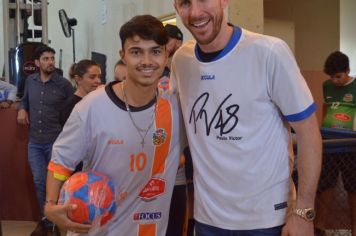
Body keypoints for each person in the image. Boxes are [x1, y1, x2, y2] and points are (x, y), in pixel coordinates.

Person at [171, 0, 322, 235]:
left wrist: (303, 212)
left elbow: (308, 132)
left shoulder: (269, 51)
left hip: (269, 220)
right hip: (208, 220)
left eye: (203, 0)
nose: (195, 12)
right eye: (185, 3)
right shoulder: (181, 61)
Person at [44, 15, 184, 236]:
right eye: (136, 52)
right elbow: (61, 161)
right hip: (96, 230)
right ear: (123, 56)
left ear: (166, 55)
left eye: (155, 51)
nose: (147, 61)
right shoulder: (91, 107)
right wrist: (51, 205)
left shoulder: (176, 106)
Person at [17, 45, 74, 236]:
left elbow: (73, 110)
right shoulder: (30, 81)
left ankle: (57, 222)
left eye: (52, 58)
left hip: (56, 143)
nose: (50, 62)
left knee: (57, 184)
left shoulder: (64, 85)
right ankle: (46, 221)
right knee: (39, 180)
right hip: (35, 142)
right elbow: (24, 100)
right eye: (46, 59)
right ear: (37, 63)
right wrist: (22, 109)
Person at [318, 51, 356, 236]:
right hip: (329, 144)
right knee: (325, 185)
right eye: (331, 76)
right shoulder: (327, 85)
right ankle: (320, 227)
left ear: (348, 70)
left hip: (351, 144)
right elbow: (325, 108)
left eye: (338, 76)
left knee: (353, 188)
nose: (334, 80)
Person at [161, 24, 188, 236]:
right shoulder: (153, 73)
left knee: (176, 223)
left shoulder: (182, 70)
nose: (177, 45)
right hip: (151, 164)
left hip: (179, 163)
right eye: (173, 41)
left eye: (179, 41)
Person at [60, 59, 102, 127]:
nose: (98, 81)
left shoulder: (95, 101)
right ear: (78, 79)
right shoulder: (70, 107)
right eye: (92, 77)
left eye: (99, 77)